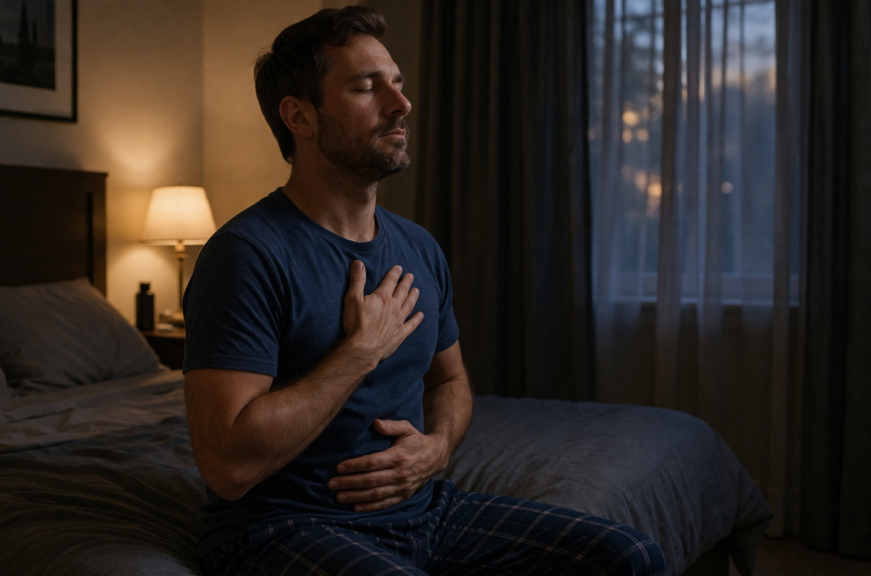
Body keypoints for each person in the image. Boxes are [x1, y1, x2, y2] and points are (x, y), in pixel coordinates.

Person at [182, 6, 666, 575]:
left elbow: (451, 380)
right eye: (367, 87)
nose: (400, 103)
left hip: (425, 511)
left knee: (629, 557)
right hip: (284, 527)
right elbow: (227, 466)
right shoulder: (246, 254)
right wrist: (361, 352)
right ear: (300, 117)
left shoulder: (418, 247)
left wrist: (436, 450)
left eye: (398, 83)